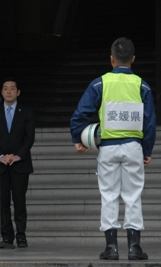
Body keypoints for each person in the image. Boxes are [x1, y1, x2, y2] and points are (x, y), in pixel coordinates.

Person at [70, 37, 156, 260]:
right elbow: (149, 122)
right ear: (133, 59)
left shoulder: (99, 83)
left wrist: (77, 138)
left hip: (108, 147)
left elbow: (80, 114)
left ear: (111, 59)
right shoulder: (142, 85)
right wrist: (147, 150)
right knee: (133, 195)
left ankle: (111, 248)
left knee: (108, 195)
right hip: (133, 147)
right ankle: (134, 248)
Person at [0, 78, 35, 248]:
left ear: (18, 92)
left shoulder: (26, 112)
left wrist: (17, 156)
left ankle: (21, 235)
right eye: (5, 88)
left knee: (20, 201)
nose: (8, 91)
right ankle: (7, 236)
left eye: (12, 88)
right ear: (1, 92)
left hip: (20, 164)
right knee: (3, 201)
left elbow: (29, 138)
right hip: (0, 164)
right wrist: (0, 156)